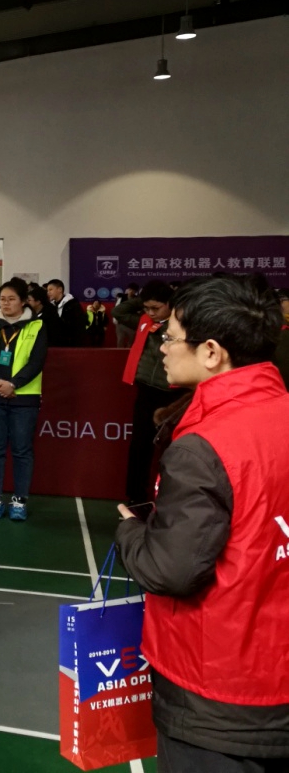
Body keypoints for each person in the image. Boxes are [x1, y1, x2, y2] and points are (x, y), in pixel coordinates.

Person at [114, 276, 289, 773]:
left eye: (170, 337)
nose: (162, 347)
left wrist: (131, 532)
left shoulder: (204, 446)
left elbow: (171, 570)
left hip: (215, 688)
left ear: (211, 351)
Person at [0, 279, 48, 521]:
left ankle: (19, 500)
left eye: (11, 299)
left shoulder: (37, 326)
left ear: (23, 301)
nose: (5, 303)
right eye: (2, 299)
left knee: (22, 451)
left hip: (24, 398)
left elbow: (36, 362)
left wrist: (13, 384)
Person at [121, 280, 177, 505]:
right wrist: (140, 299)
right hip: (146, 391)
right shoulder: (144, 320)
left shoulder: (182, 324)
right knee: (139, 447)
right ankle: (136, 499)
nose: (151, 313)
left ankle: (169, 500)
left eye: (156, 308)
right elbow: (119, 311)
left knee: (173, 450)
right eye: (147, 308)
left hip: (173, 395)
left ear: (170, 304)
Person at [45, 279, 87, 347]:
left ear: (60, 289)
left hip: (71, 344)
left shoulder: (72, 305)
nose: (48, 292)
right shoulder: (50, 306)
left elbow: (78, 327)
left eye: (50, 289)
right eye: (47, 290)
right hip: (56, 344)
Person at [114, 283, 142, 348]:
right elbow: (116, 309)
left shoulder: (137, 299)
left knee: (131, 341)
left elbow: (139, 311)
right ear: (127, 290)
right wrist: (116, 321)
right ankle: (120, 352)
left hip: (131, 323)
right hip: (121, 323)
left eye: (133, 290)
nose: (131, 291)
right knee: (120, 340)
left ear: (136, 292)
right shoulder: (121, 298)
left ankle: (129, 352)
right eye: (130, 290)